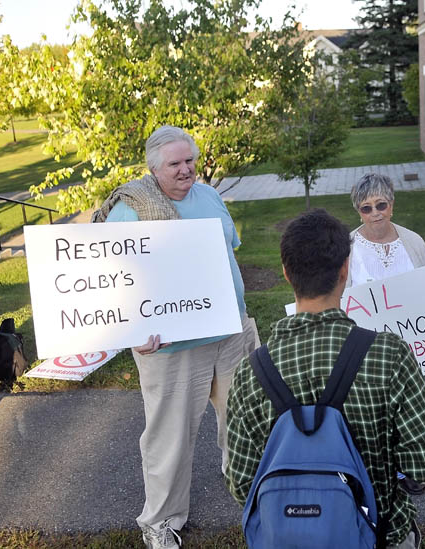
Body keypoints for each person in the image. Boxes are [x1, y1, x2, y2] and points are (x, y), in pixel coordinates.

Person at [226, 209, 425, 549]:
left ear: (286, 273)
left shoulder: (251, 372)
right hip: (381, 534)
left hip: (288, 538)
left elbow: (242, 482)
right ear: (345, 269)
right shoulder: (388, 355)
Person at [93, 125, 258, 549]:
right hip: (172, 346)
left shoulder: (210, 196)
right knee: (170, 435)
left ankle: (242, 476)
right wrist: (133, 331)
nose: (186, 170)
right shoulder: (131, 210)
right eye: (175, 164)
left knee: (244, 414)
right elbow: (111, 282)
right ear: (153, 168)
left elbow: (229, 250)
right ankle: (161, 520)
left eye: (190, 161)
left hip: (230, 329)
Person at [347, 172, 425, 495]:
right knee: (373, 414)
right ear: (359, 212)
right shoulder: (349, 246)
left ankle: (410, 467)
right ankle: (379, 472)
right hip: (366, 351)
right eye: (366, 208)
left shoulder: (414, 243)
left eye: (381, 204)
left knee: (410, 409)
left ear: (392, 205)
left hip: (413, 346)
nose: (375, 213)